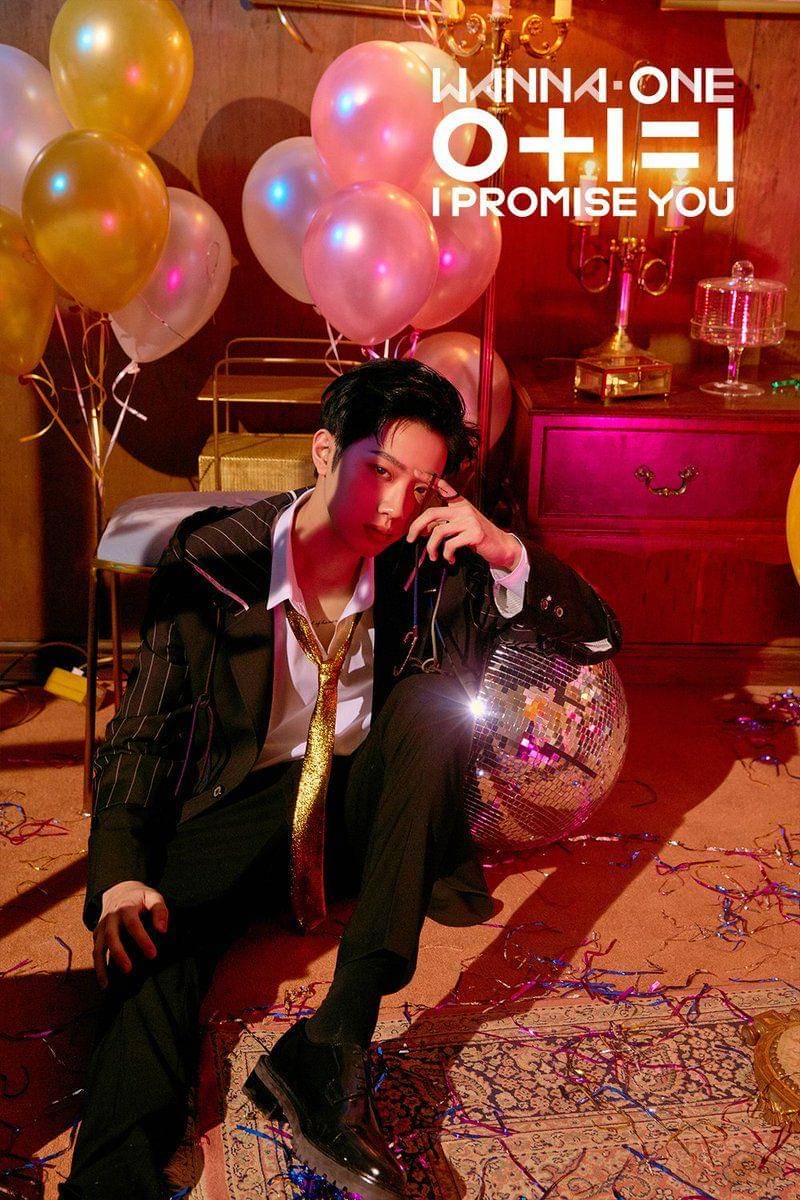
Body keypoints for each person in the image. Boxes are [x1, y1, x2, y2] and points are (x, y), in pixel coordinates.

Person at [61, 358, 621, 1200]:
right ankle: (114, 1178)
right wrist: (118, 873)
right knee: (148, 940)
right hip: (241, 800)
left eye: (419, 485)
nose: (395, 507)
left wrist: (506, 550)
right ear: (325, 453)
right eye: (380, 472)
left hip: (368, 808)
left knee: (434, 706)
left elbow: (599, 639)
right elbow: (141, 730)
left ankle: (335, 1044)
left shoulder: (427, 558)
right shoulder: (215, 560)